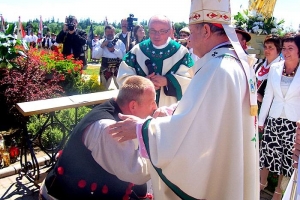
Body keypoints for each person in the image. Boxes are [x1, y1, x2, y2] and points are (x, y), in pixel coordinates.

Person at [109, 0, 259, 199]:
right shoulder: (232, 62)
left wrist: (141, 129)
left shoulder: (217, 68)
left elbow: (193, 132)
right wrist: (173, 111)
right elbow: (208, 113)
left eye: (192, 32)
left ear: (205, 30)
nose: (189, 41)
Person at [39, 75, 157, 200]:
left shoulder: (115, 105)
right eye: (152, 102)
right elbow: (137, 173)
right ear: (133, 106)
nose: (155, 107)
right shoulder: (110, 128)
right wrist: (154, 138)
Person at [117, 15, 194, 107]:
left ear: (170, 31)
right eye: (153, 31)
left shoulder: (181, 52)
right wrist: (142, 83)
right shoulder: (137, 51)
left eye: (162, 31)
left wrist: (168, 81)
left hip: (170, 109)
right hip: (141, 109)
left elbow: (191, 80)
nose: (157, 35)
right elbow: (122, 78)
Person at [258, 32, 300, 200]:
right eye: (284, 48)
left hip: (293, 122)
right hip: (274, 119)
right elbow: (268, 95)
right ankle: (261, 184)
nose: (286, 51)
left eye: (291, 48)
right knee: (268, 154)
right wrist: (262, 120)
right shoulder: (275, 67)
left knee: (288, 161)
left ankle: (279, 191)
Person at [93, 25, 126, 90]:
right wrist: (102, 46)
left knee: (121, 89)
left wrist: (114, 50)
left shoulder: (119, 43)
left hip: (117, 68)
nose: (110, 33)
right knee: (103, 89)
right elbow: (95, 56)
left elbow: (123, 56)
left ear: (114, 32)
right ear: (105, 32)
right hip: (105, 68)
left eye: (111, 31)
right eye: (108, 32)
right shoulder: (100, 42)